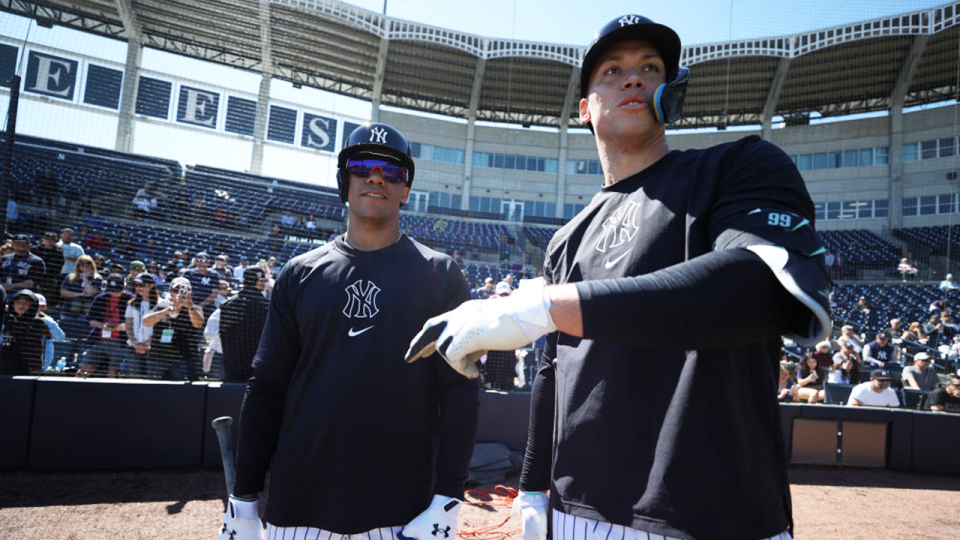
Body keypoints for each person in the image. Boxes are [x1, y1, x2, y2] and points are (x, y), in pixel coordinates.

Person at [405, 16, 830, 540]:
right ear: (584, 109)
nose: (633, 78)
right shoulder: (566, 239)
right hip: (577, 511)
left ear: (672, 92)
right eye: (612, 70)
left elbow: (756, 289)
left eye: (650, 68)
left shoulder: (738, 166)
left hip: (717, 512)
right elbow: (551, 372)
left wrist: (538, 307)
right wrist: (535, 488)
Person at [220, 123, 479, 540]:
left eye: (392, 170)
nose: (376, 176)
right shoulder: (299, 273)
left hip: (403, 504)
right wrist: (244, 499)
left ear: (406, 189)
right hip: (300, 500)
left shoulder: (441, 274)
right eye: (362, 166)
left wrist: (448, 499)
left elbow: (459, 392)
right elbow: (267, 387)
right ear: (345, 182)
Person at [142, 277, 204, 381]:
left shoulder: (195, 308)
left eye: (184, 290)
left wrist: (190, 307)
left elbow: (198, 324)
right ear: (170, 291)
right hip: (158, 358)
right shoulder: (162, 306)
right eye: (176, 290)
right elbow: (146, 322)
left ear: (190, 292)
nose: (179, 293)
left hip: (184, 359)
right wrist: (165, 312)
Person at [217, 266, 270, 383]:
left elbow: (222, 335)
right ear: (256, 281)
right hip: (256, 365)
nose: (264, 284)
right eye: (262, 281)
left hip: (232, 363)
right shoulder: (267, 306)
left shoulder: (227, 304)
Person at [76, 274, 134, 378]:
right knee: (83, 371)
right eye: (111, 290)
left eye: (117, 290)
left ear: (124, 287)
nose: (114, 293)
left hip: (120, 342)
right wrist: (102, 325)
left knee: (113, 373)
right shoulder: (101, 298)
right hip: (98, 340)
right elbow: (90, 319)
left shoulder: (132, 299)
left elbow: (137, 322)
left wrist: (120, 327)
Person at [59, 255, 103, 367]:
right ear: (78, 265)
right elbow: (63, 292)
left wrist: (85, 279)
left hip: (86, 314)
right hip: (69, 312)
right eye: (82, 264)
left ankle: (79, 364)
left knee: (83, 340)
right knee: (67, 340)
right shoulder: (70, 277)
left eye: (88, 264)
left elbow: (91, 292)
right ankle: (65, 363)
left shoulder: (97, 278)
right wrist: (80, 294)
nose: (85, 266)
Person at [0, 289, 48, 375]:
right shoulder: (6, 319)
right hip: (5, 368)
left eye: (26, 303)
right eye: (18, 302)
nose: (21, 305)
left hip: (27, 370)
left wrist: (7, 316)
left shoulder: (37, 322)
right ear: (12, 304)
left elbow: (22, 333)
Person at [123, 273, 158, 379]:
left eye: (141, 285)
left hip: (153, 349)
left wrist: (147, 344)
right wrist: (135, 343)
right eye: (137, 285)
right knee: (134, 380)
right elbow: (128, 325)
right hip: (133, 348)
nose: (138, 288)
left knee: (152, 380)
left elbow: (162, 328)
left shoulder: (160, 304)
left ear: (151, 285)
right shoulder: (131, 304)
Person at [32, 232, 65, 309]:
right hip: (34, 277)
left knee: (46, 300)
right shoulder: (35, 250)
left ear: (56, 241)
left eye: (52, 240)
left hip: (49, 279)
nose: (49, 241)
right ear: (43, 239)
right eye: (47, 239)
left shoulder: (58, 253)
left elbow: (59, 266)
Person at [35, 294, 66, 371]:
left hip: (42, 359)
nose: (34, 307)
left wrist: (49, 323)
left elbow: (60, 338)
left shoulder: (49, 321)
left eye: (38, 305)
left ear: (43, 307)